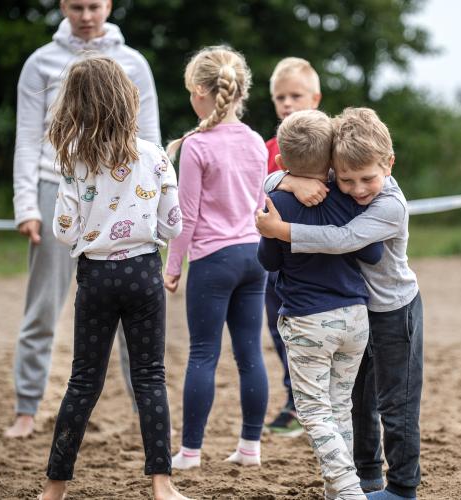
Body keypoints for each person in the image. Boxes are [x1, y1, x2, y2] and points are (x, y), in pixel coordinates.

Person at [7, 0, 160, 438]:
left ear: (108, 5)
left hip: (121, 191)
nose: (87, 15)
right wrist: (27, 205)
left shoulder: (133, 62)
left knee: (134, 301)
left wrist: (146, 200)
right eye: (77, 6)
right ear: (63, 6)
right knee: (42, 307)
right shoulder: (41, 62)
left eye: (94, 6)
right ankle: (26, 407)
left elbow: (148, 135)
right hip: (56, 186)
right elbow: (28, 136)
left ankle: (140, 412)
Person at [256, 108, 423, 500]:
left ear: (389, 164)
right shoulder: (335, 182)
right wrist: (292, 180)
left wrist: (281, 229)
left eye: (368, 179)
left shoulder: (390, 206)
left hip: (394, 309)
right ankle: (365, 480)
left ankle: (402, 488)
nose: (359, 188)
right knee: (355, 402)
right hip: (356, 309)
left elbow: (343, 238)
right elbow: (273, 176)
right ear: (333, 168)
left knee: (395, 402)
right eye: (346, 179)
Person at [40, 55, 186, 500]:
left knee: (83, 381)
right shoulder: (154, 155)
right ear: (128, 100)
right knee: (150, 378)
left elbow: (64, 230)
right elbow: (174, 224)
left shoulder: (75, 161)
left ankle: (54, 487)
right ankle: (162, 484)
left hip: (96, 278)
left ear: (75, 107)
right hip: (143, 274)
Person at [164, 45, 269, 470]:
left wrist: (172, 266)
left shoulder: (196, 145)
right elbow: (262, 202)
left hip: (213, 261)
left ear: (201, 93)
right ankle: (250, 447)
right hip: (254, 256)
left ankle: (190, 452)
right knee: (250, 355)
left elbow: (185, 217)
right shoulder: (256, 141)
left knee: (203, 354)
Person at [263, 58, 323, 437]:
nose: (287, 103)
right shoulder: (268, 148)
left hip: (321, 258)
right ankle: (293, 399)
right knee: (279, 330)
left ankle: (324, 400)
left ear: (315, 98)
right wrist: (287, 182)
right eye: (280, 97)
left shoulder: (331, 142)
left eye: (295, 95)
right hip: (275, 263)